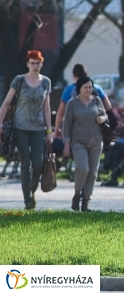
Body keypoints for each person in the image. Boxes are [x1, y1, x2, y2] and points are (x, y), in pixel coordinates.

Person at [0, 50, 53, 210]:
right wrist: (0, 123)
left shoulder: (46, 82)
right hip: (21, 127)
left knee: (37, 163)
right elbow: (7, 102)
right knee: (25, 163)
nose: (35, 66)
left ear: (41, 64)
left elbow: (46, 108)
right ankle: (27, 200)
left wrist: (49, 131)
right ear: (28, 64)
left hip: (38, 128)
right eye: (32, 63)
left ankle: (32, 188)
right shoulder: (19, 80)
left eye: (38, 63)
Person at [63, 76, 108, 212]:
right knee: (83, 168)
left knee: (93, 173)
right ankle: (77, 195)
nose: (88, 90)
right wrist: (66, 143)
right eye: (85, 87)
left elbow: (105, 115)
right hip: (78, 142)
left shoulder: (97, 100)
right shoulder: (72, 103)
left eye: (90, 87)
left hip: (96, 141)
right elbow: (67, 125)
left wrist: (102, 118)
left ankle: (86, 202)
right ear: (79, 89)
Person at [54, 64, 112, 139]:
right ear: (86, 74)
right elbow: (108, 106)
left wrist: (57, 128)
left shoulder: (69, 89)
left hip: (77, 129)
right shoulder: (96, 88)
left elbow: (61, 112)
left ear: (74, 76)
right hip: (95, 127)